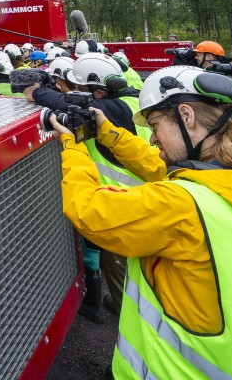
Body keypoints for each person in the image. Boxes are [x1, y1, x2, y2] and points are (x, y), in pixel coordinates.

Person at [51, 66, 232, 379]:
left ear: (186, 116)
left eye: (155, 125)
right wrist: (109, 134)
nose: (152, 138)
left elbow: (89, 210)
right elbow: (165, 167)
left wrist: (73, 147)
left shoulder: (182, 206)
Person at [25, 53, 149, 320]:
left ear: (99, 91)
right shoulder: (132, 98)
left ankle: (126, 314)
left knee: (120, 271)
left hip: (123, 202)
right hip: (141, 194)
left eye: (80, 91)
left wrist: (37, 92)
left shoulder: (113, 109)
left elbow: (62, 101)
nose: (74, 95)